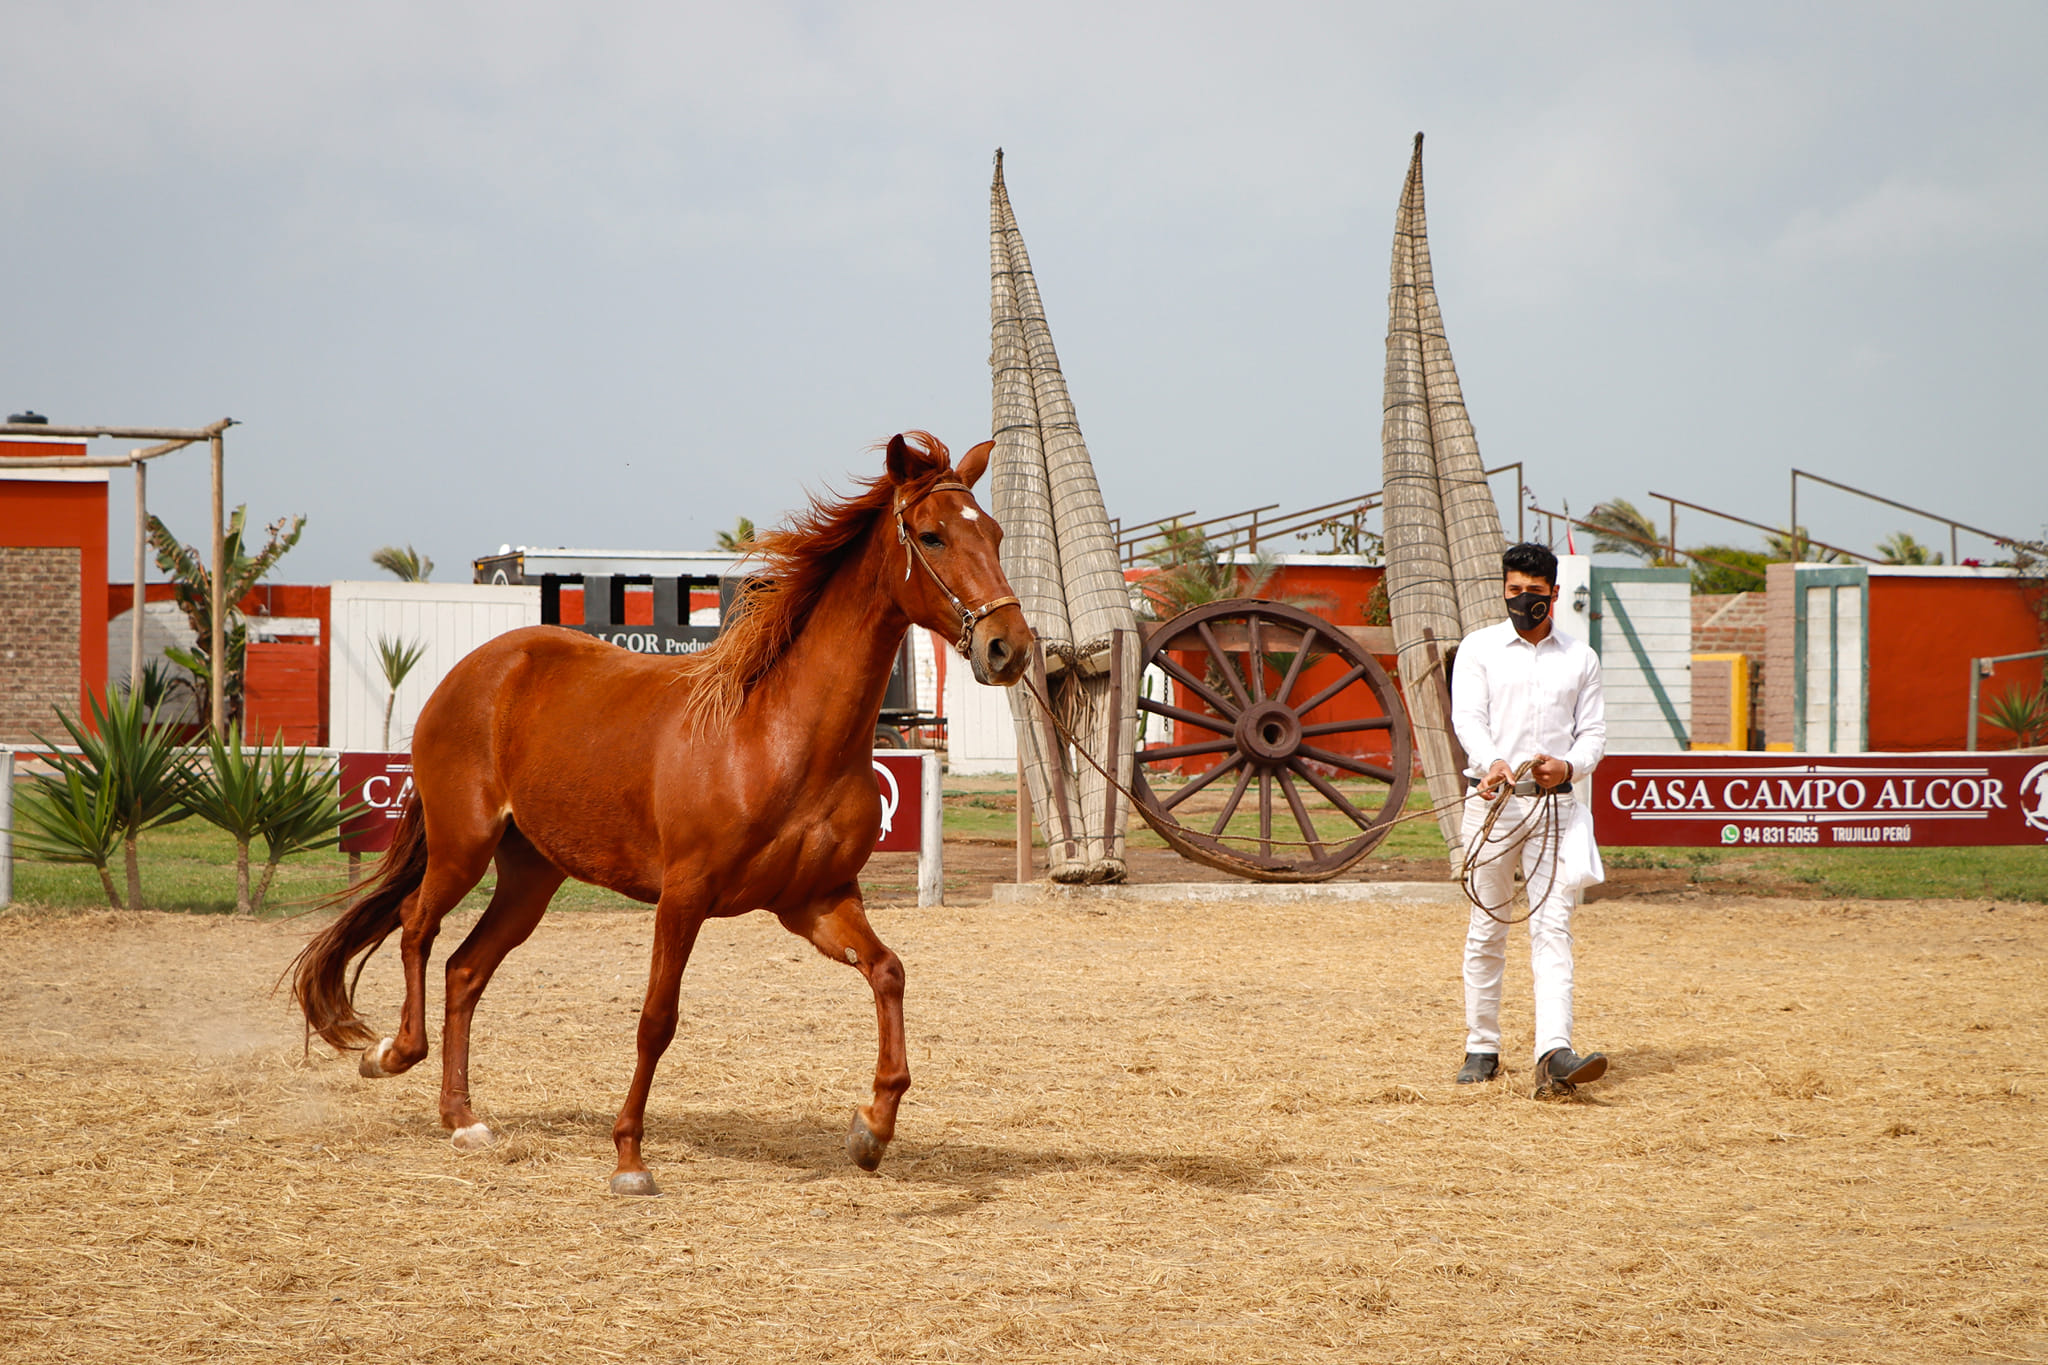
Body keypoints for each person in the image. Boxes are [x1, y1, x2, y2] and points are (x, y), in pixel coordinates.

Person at [1449, 543, 1609, 1095]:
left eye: (1535, 594)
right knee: (1486, 928)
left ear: (1555, 595)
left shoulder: (1580, 658)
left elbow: (1593, 734)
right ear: (1504, 590)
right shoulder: (1479, 649)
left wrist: (1569, 765)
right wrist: (1490, 762)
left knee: (1553, 927)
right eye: (1515, 591)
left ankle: (1554, 1052)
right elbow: (1467, 717)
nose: (1524, 602)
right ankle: (1482, 1047)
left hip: (1557, 807)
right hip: (1492, 803)